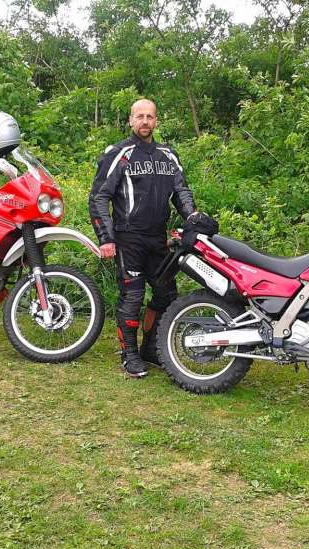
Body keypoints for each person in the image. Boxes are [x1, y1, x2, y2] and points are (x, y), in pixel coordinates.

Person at [88, 98, 197, 378]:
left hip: (159, 239)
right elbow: (99, 197)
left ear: (156, 120)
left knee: (166, 295)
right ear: (131, 120)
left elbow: (181, 192)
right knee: (132, 297)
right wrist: (105, 238)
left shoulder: (168, 155)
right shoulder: (118, 153)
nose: (145, 121)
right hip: (128, 238)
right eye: (140, 116)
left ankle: (149, 348)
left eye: (150, 116)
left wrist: (193, 217)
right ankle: (129, 354)